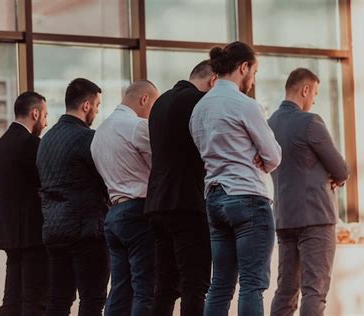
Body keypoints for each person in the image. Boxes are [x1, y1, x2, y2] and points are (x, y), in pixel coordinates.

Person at [189, 41, 282, 316]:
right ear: (244, 68)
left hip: (215, 199)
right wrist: (257, 154)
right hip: (247, 198)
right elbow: (274, 156)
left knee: (220, 284)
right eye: (254, 71)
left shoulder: (199, 109)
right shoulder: (245, 105)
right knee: (252, 285)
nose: (253, 79)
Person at [268, 68, 349, 316]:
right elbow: (341, 169)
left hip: (284, 218)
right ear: (305, 90)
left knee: (285, 291)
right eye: (314, 92)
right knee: (315, 290)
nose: (314, 99)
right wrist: (335, 177)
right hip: (315, 217)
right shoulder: (310, 122)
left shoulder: (270, 124)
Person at [145, 60, 217, 316]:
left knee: (164, 286)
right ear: (214, 81)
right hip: (186, 202)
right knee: (194, 283)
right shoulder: (198, 102)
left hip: (155, 203)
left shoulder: (160, 102)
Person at [36, 78, 109, 316]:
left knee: (58, 298)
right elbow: (106, 177)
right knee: (93, 298)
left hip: (54, 229)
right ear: (86, 105)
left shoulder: (46, 140)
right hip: (85, 230)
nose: (97, 111)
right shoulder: (86, 138)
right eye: (97, 105)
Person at [91, 80, 159, 316]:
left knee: (119, 290)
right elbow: (159, 168)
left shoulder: (100, 132)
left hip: (114, 216)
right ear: (144, 99)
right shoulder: (137, 126)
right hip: (139, 213)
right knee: (145, 289)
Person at [0, 91, 49, 316]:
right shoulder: (31, 144)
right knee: (35, 300)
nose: (45, 122)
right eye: (44, 116)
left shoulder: (0, 145)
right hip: (33, 234)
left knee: (12, 299)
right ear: (35, 113)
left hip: (9, 234)